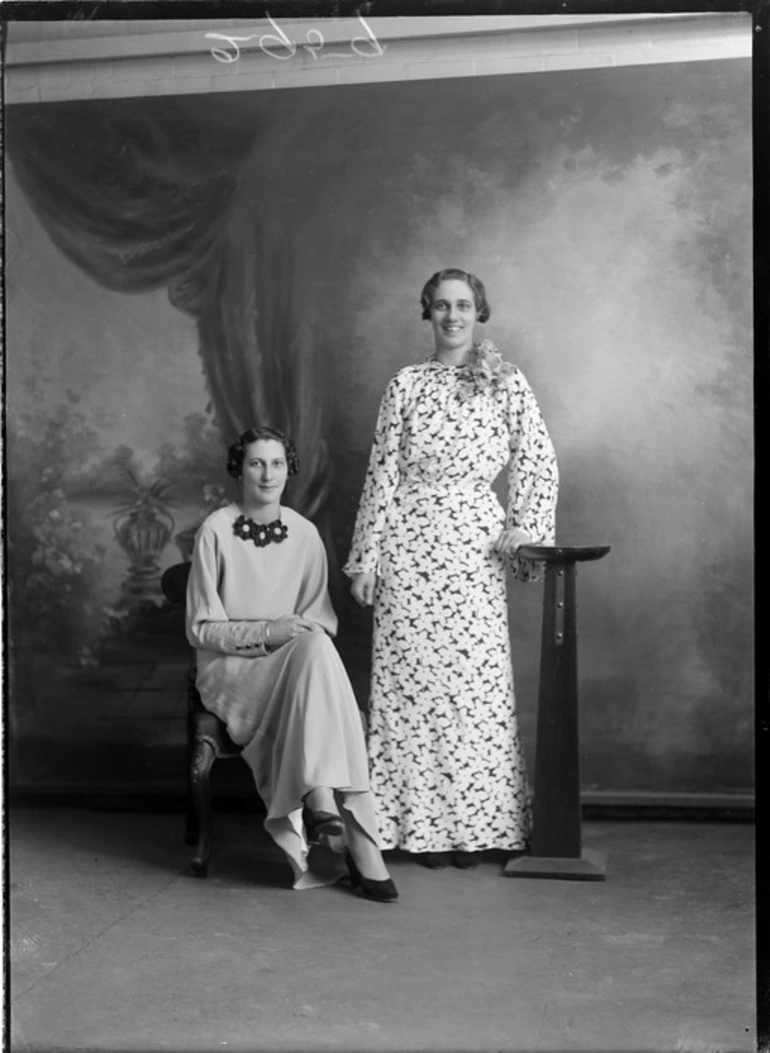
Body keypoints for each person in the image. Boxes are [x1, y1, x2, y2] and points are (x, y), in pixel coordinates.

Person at [344, 268, 559, 870]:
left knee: (472, 690)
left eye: (463, 305)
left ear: (479, 312)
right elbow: (382, 473)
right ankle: (411, 831)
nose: (453, 316)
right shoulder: (405, 384)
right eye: (441, 306)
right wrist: (366, 558)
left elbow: (538, 461)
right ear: (427, 313)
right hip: (408, 545)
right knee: (409, 689)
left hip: (474, 549)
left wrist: (526, 531)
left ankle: (476, 831)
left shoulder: (506, 382)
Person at [186, 426, 397, 901]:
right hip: (231, 668)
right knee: (318, 662)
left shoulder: (305, 534)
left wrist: (290, 636)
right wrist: (266, 633)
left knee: (318, 647)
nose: (267, 474)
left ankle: (324, 801)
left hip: (296, 667)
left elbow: (317, 622)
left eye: (277, 464)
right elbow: (200, 629)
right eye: (257, 463)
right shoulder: (215, 530)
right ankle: (359, 841)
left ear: (289, 470)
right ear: (240, 468)